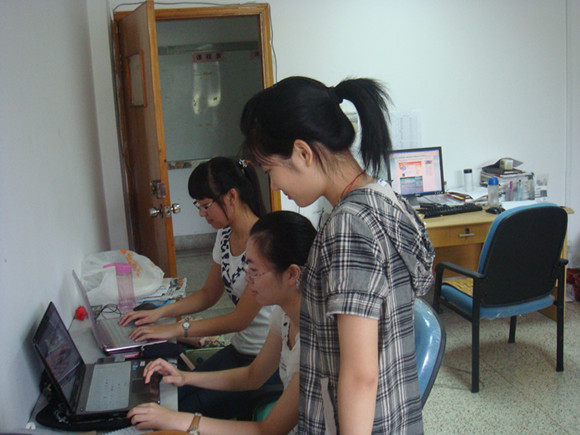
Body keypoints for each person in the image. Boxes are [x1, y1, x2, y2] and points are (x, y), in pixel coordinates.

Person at [240, 77, 435, 433]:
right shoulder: (385, 199)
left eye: (270, 171)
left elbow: (360, 376)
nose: (275, 185)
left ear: (303, 153)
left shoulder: (349, 227)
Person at [127, 211, 317, 435]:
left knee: (168, 419)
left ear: (292, 275)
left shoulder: (315, 343)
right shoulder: (283, 315)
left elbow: (266, 431)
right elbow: (252, 375)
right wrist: (186, 377)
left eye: (254, 271)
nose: (247, 278)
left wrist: (178, 420)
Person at [119, 156, 280, 419]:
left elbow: (239, 319)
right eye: (199, 206)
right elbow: (208, 294)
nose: (202, 214)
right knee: (170, 395)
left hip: (264, 364)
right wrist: (159, 312)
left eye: (206, 206)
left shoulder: (263, 243)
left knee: (177, 410)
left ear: (231, 196)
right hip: (239, 350)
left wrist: (173, 329)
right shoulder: (225, 235)